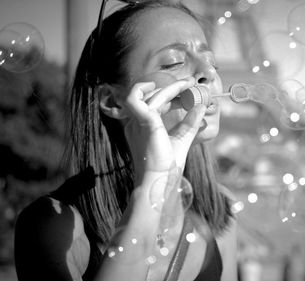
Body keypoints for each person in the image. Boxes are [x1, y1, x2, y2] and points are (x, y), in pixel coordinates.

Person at [14, 1, 237, 281]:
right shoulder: (54, 225)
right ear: (113, 100)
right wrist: (154, 182)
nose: (210, 73)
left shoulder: (218, 210)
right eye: (173, 62)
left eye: (211, 61)